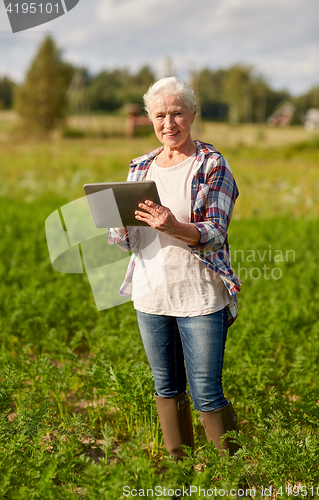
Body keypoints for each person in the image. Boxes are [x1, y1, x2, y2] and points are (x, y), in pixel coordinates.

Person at [107, 76, 242, 458]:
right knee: (166, 388)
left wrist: (175, 227)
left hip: (199, 296)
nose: (169, 123)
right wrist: (118, 226)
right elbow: (126, 239)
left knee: (206, 393)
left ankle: (235, 482)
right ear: (151, 118)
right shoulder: (140, 166)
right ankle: (180, 477)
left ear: (193, 114)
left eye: (177, 113)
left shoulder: (212, 165)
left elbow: (215, 232)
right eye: (161, 115)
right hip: (151, 294)